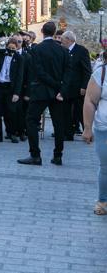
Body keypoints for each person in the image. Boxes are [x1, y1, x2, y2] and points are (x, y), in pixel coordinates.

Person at [18, 21, 70, 166]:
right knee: (59, 124)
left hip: (40, 91)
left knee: (31, 120)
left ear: (42, 31)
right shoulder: (63, 51)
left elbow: (38, 72)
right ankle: (58, 156)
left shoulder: (37, 49)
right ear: (54, 33)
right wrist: (61, 88)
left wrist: (54, 84)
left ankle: (35, 155)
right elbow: (68, 73)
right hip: (58, 93)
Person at [81, 60, 107, 215]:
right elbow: (90, 101)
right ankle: (103, 201)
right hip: (105, 128)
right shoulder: (101, 73)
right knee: (106, 167)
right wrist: (87, 128)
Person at [0, 37, 24, 143]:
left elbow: (19, 77)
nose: (11, 50)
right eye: (9, 47)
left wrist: (16, 93)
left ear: (17, 48)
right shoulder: (1, 53)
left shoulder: (19, 58)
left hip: (10, 88)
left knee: (11, 111)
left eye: (13, 48)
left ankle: (12, 133)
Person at [60, 31, 91, 139]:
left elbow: (87, 70)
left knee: (80, 111)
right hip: (66, 87)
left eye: (63, 39)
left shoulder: (81, 51)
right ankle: (68, 133)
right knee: (66, 111)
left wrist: (84, 86)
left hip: (78, 87)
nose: (61, 41)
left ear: (69, 39)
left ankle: (88, 131)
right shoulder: (63, 50)